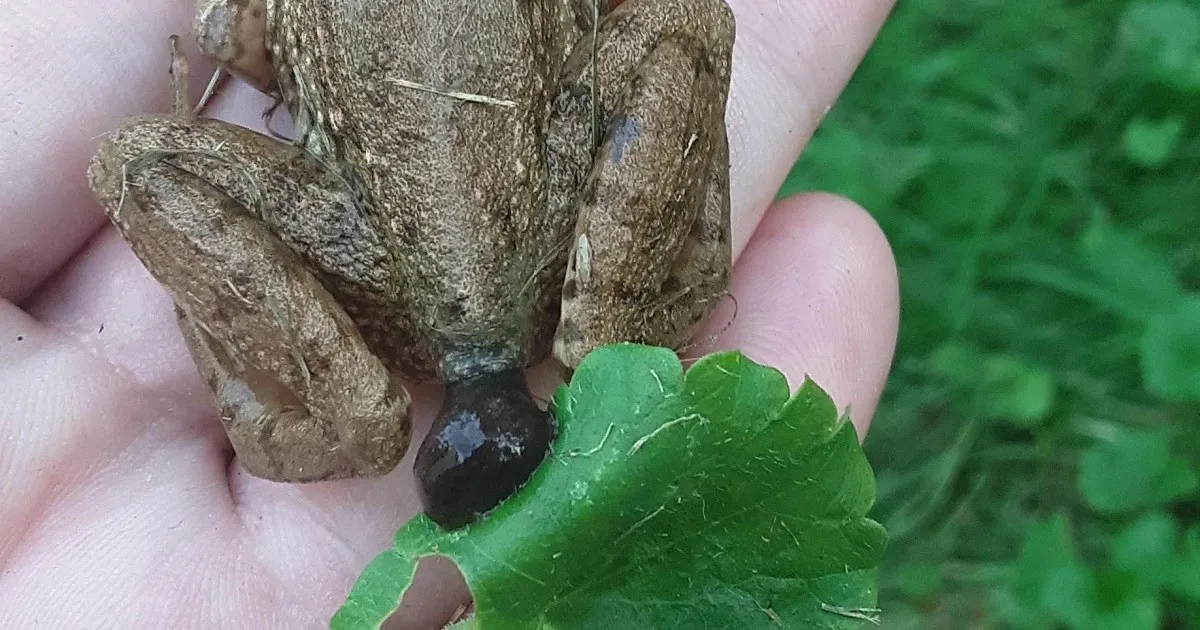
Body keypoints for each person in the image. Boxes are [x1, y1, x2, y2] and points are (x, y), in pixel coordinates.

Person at [0, 1, 900, 627]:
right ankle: (619, 327)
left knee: (140, 160)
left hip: (377, 267)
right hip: (540, 237)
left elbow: (231, 40)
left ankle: (336, 414)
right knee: (682, 21)